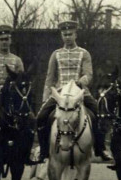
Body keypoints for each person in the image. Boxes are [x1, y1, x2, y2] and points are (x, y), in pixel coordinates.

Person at [36, 20, 110, 162]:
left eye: (70, 34)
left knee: (98, 114)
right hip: (60, 93)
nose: (67, 37)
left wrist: (80, 82)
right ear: (61, 36)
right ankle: (44, 151)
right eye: (65, 34)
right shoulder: (56, 54)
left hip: (80, 92)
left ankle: (100, 149)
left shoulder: (84, 53)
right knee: (41, 117)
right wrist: (46, 97)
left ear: (76, 34)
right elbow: (50, 78)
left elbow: (88, 74)